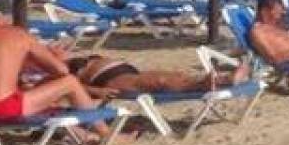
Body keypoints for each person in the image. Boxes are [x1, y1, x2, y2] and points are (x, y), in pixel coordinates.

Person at [0, 0, 109, 135]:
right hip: (1, 110)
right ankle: (104, 133)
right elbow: (61, 70)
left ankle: (81, 133)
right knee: (70, 82)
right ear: (7, 17)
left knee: (29, 90)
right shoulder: (20, 35)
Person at [62, 53, 249, 97]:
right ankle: (208, 84)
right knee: (160, 81)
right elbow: (68, 85)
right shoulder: (58, 68)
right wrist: (95, 91)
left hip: (125, 70)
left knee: (174, 75)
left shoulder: (59, 56)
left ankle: (223, 79)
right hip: (108, 79)